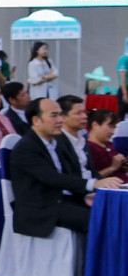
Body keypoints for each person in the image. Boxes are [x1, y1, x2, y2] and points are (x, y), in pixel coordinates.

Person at [8, 98, 118, 236]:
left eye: (60, 115)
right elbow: (52, 178)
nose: (60, 120)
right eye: (54, 115)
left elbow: (72, 174)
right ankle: (99, 257)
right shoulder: (27, 147)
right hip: (40, 208)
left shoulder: (56, 142)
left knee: (112, 212)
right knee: (100, 220)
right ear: (36, 120)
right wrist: (94, 184)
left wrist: (86, 195)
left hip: (63, 200)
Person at [85, 109, 128, 184]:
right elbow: (89, 179)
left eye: (114, 127)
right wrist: (112, 168)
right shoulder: (89, 147)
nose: (113, 132)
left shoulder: (109, 144)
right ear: (95, 125)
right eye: (110, 127)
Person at [57, 94, 91, 176]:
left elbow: (92, 170)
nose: (85, 116)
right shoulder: (57, 142)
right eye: (79, 113)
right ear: (63, 117)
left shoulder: (83, 138)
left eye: (84, 112)